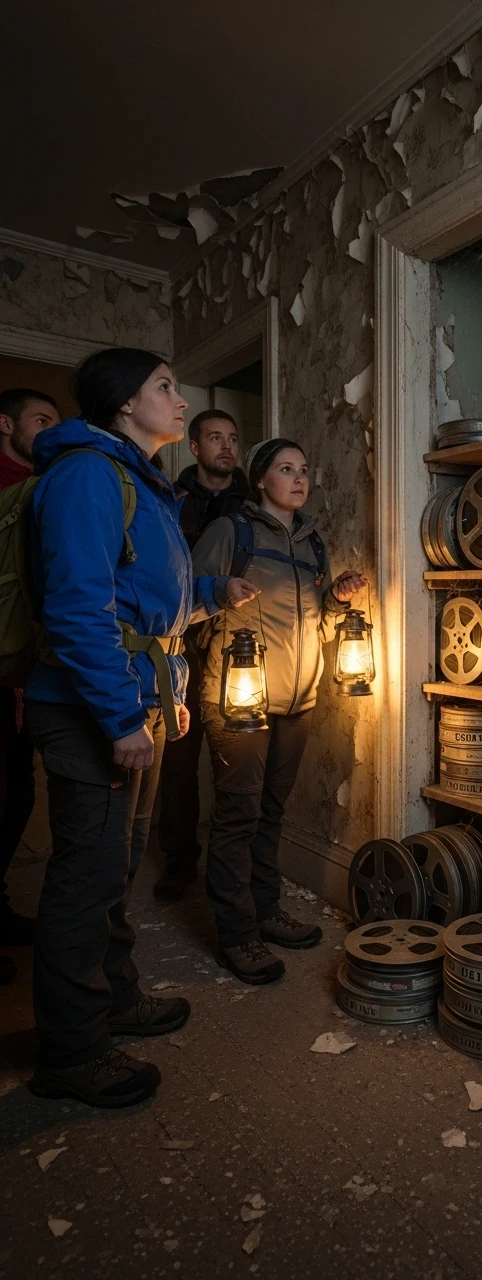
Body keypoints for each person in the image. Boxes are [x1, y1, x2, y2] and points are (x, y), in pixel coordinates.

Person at [24, 348, 258, 1108]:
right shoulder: (89, 475)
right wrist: (123, 715)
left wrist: (214, 592)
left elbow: (149, 607)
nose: (181, 400)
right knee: (85, 878)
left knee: (117, 865)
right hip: (97, 709)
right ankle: (72, 1050)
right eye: (165, 387)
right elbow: (77, 609)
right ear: (124, 404)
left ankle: (114, 999)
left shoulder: (141, 484)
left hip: (140, 702)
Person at [192, 438, 365, 984]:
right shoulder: (232, 532)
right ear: (261, 480)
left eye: (304, 469)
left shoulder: (313, 542)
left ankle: (266, 911)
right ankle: (238, 933)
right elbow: (185, 601)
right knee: (237, 815)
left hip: (299, 699)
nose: (299, 478)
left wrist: (335, 600)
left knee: (271, 811)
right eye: (285, 469)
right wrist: (219, 590)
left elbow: (316, 621)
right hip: (239, 702)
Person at [154, 409, 249, 901]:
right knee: (177, 763)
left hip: (238, 654)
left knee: (237, 759)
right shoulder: (169, 499)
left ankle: (234, 863)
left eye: (233, 438)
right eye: (215, 438)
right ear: (195, 446)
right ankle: (178, 860)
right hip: (181, 650)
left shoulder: (252, 503)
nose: (226, 447)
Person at [0, 388, 61, 985]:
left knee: (16, 794)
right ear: (5, 423)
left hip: (21, 668)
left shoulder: (48, 486)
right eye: (40, 421)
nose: (50, 433)